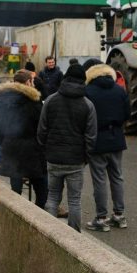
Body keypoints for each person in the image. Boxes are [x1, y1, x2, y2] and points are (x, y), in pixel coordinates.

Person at [37, 64, 97, 231]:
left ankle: (48, 233)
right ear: (83, 81)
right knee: (74, 201)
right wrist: (85, 158)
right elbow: (91, 137)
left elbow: (41, 131)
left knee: (53, 197)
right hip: (76, 161)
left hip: (53, 158)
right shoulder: (88, 105)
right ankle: (74, 238)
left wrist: (46, 151)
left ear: (65, 78)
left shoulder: (50, 101)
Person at [83, 59, 131, 232]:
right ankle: (119, 215)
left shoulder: (87, 91)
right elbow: (127, 113)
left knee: (99, 180)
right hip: (116, 138)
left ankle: (101, 218)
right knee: (117, 177)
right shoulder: (119, 90)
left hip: (97, 140)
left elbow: (84, 117)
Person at [0, 70, 48, 209]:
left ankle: (17, 214)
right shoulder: (33, 100)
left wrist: (5, 139)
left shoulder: (3, 99)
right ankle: (38, 216)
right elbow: (42, 125)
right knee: (41, 186)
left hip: (11, 148)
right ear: (28, 82)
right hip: (32, 150)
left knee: (15, 187)